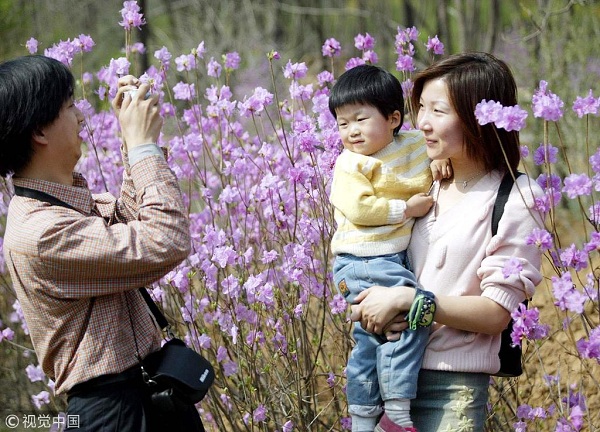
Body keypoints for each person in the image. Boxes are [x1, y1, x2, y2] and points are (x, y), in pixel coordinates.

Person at [0, 55, 202, 431]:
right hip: (115, 413)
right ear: (40, 131)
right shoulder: (40, 233)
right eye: (70, 106)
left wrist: (132, 140)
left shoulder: (62, 203)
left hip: (150, 390)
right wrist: (143, 149)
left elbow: (129, 225)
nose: (81, 118)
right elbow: (165, 239)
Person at [349, 52, 545, 432]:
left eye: (438, 111)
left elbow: (496, 313)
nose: (422, 122)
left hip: (449, 391)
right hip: (381, 376)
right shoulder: (423, 181)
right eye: (421, 107)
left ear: (477, 118)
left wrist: (410, 301)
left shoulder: (517, 198)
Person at [328, 64, 449, 432]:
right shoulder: (350, 163)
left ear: (394, 119)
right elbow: (360, 210)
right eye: (342, 123)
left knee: (371, 339)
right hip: (364, 259)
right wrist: (405, 210)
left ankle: (363, 419)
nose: (351, 131)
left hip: (380, 259)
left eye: (360, 119)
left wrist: (441, 160)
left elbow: (431, 156)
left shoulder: (411, 144)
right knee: (415, 314)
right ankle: (396, 410)